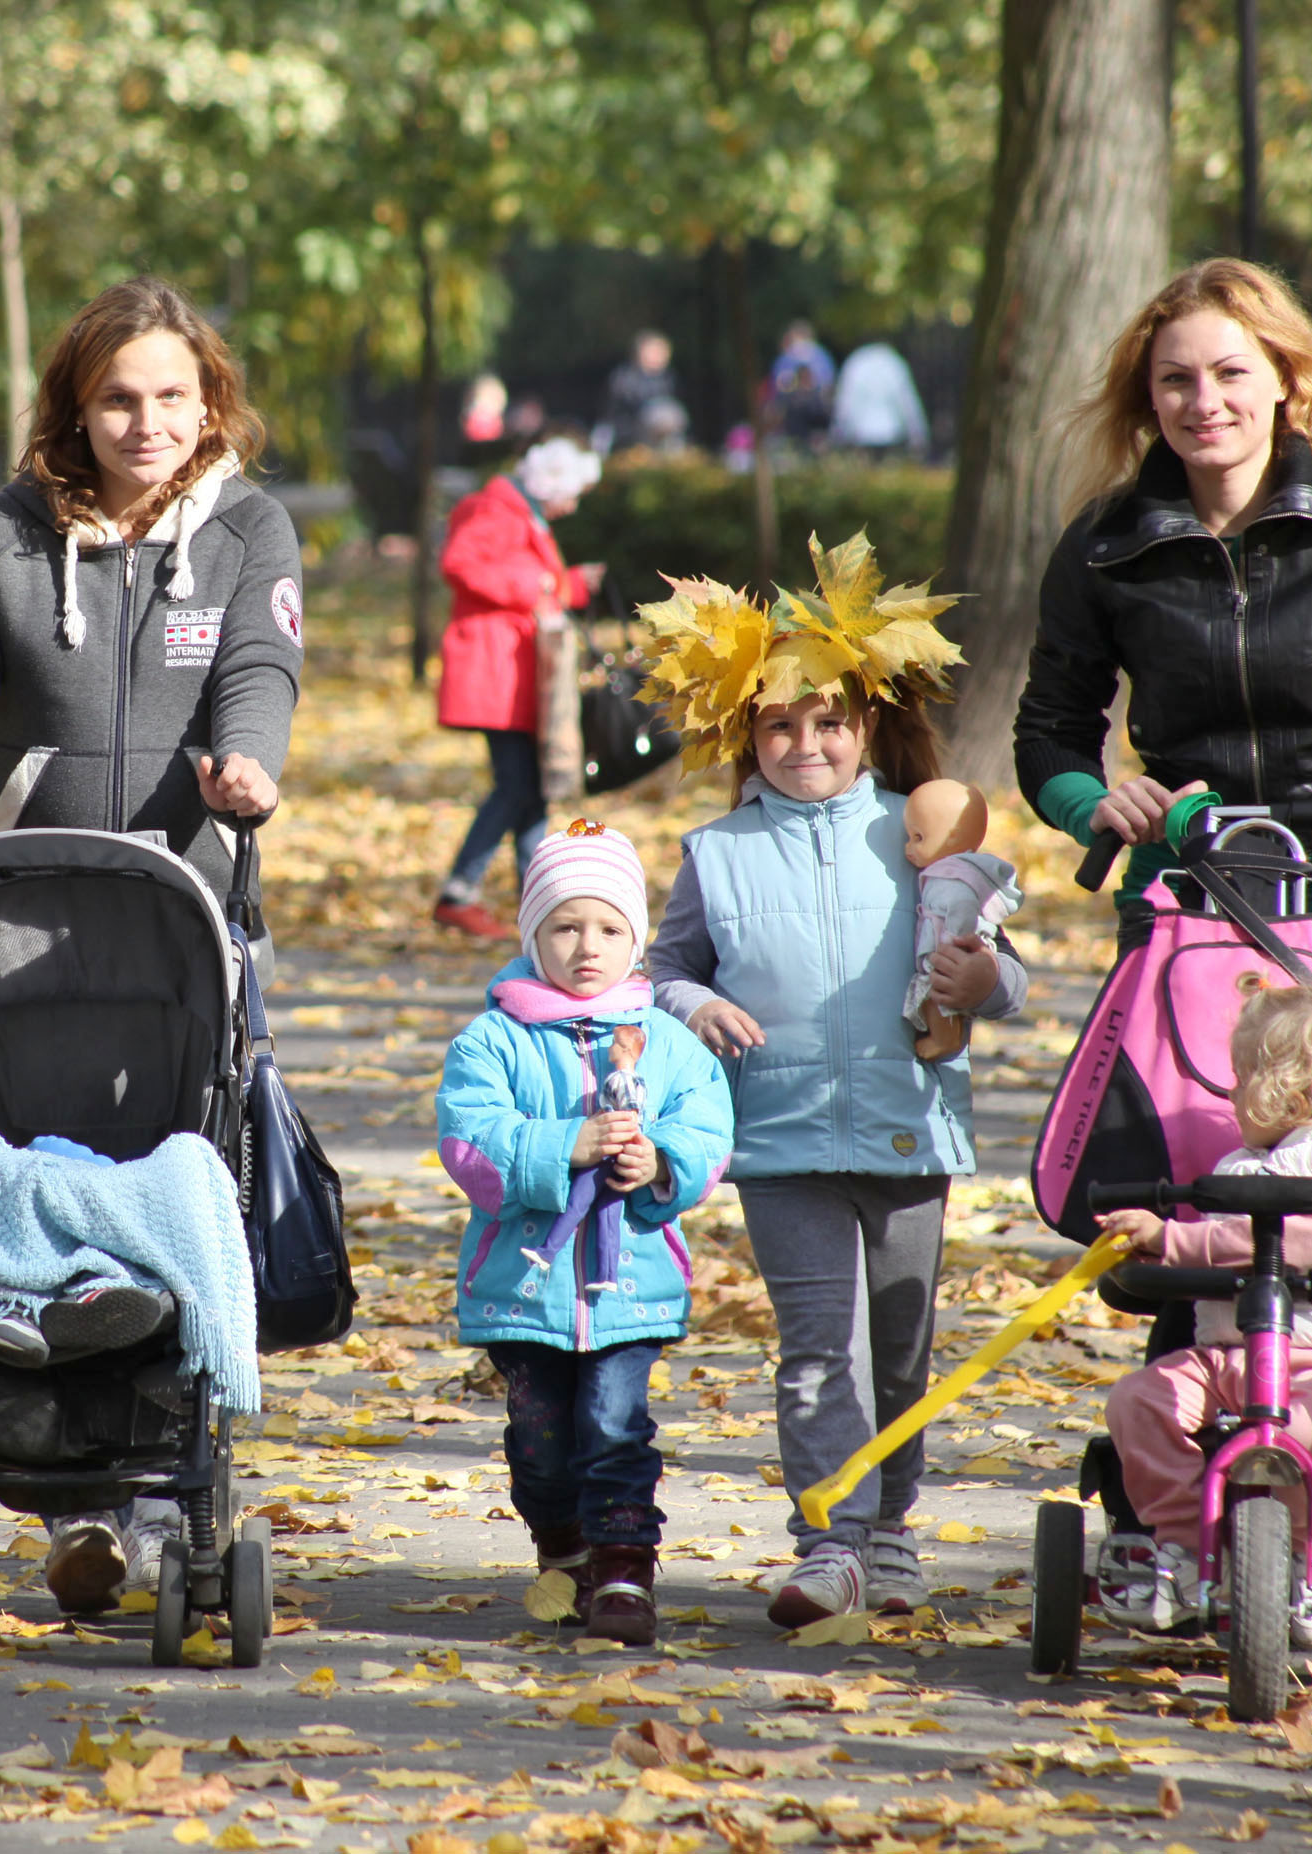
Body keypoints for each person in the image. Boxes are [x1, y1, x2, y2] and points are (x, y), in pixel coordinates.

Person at [0, 274, 299, 1613]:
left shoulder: (247, 529)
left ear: (209, 405)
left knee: (176, 1177)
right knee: (25, 1170)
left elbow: (262, 663)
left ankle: (143, 1495)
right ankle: (41, 1473)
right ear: (77, 407)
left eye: (172, 397)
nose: (147, 421)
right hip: (21, 928)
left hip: (185, 918)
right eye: (119, 397)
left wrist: (251, 761)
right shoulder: (2, 532)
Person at [645, 593, 1030, 1626]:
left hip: (907, 1131)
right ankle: (829, 1542)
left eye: (826, 722)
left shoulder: (921, 833)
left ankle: (893, 1531)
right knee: (819, 1348)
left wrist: (981, 981)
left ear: (865, 727)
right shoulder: (715, 852)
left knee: (898, 1346)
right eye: (777, 724)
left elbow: (1010, 978)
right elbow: (659, 971)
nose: (802, 743)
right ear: (745, 736)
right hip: (777, 1142)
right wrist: (697, 1002)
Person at [1015, 258, 1312, 1043]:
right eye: (1176, 379)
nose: (1204, 401)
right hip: (1179, 900)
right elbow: (1049, 732)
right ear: (1149, 396)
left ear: (1284, 377)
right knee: (1180, 1164)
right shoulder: (1105, 544)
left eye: (1230, 372)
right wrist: (1096, 807)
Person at [434, 824, 735, 1646]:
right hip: (524, 1285)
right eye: (565, 927)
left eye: (609, 929)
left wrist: (660, 1165)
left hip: (630, 1284)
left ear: (635, 938)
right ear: (534, 933)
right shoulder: (494, 1038)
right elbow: (468, 1141)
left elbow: (707, 1130)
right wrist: (560, 1146)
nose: (587, 947)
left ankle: (625, 1566)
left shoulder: (664, 1041)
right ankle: (561, 1548)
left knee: (613, 1423)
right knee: (538, 1442)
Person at [1096, 985, 1312, 1651]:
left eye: (1241, 1080)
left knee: (1304, 1433)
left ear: (1291, 1088)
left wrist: (1173, 1241)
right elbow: (1232, 1238)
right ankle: (1185, 1547)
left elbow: (1307, 1239)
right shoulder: (1248, 1164)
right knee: (1140, 1400)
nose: (1232, 1096)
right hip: (1231, 1353)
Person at [431, 437, 606, 937]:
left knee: (533, 788)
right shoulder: (497, 510)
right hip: (494, 672)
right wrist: (547, 584)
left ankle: (534, 898)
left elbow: (536, 583)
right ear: (551, 485)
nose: (572, 506)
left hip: (513, 672)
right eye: (571, 494)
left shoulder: (521, 514)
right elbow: (460, 565)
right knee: (518, 786)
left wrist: (568, 582)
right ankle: (460, 891)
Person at [829, 341, 930, 457]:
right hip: (891, 433)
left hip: (861, 433)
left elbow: (845, 402)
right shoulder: (893, 363)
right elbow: (907, 402)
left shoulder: (857, 362)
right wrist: (918, 434)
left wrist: (837, 435)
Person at [601, 331, 681, 455]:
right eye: (655, 352)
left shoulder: (667, 379)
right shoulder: (624, 377)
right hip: (629, 435)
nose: (660, 356)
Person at [768, 321, 836, 445]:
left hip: (795, 414)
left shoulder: (786, 358)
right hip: (816, 414)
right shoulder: (822, 356)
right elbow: (829, 387)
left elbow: (779, 390)